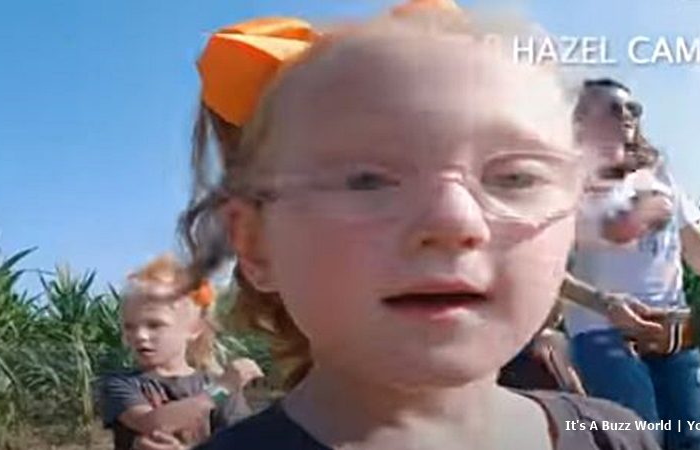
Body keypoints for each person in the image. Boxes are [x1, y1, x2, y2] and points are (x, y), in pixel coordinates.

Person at [160, 2, 661, 449]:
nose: (454, 220)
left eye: (514, 177)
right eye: (365, 179)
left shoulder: (616, 434)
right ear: (257, 243)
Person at [562, 78, 700, 450]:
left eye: (632, 108)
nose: (627, 115)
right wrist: (605, 304)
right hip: (603, 332)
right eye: (614, 108)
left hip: (673, 332)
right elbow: (547, 271)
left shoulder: (657, 174)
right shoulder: (563, 185)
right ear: (581, 119)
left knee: (694, 439)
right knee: (638, 438)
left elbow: (694, 242)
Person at [98, 254, 263, 450]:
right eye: (129, 327)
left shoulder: (213, 383)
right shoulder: (120, 384)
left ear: (194, 329)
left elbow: (241, 442)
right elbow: (152, 423)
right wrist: (222, 390)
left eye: (154, 325)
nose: (140, 335)